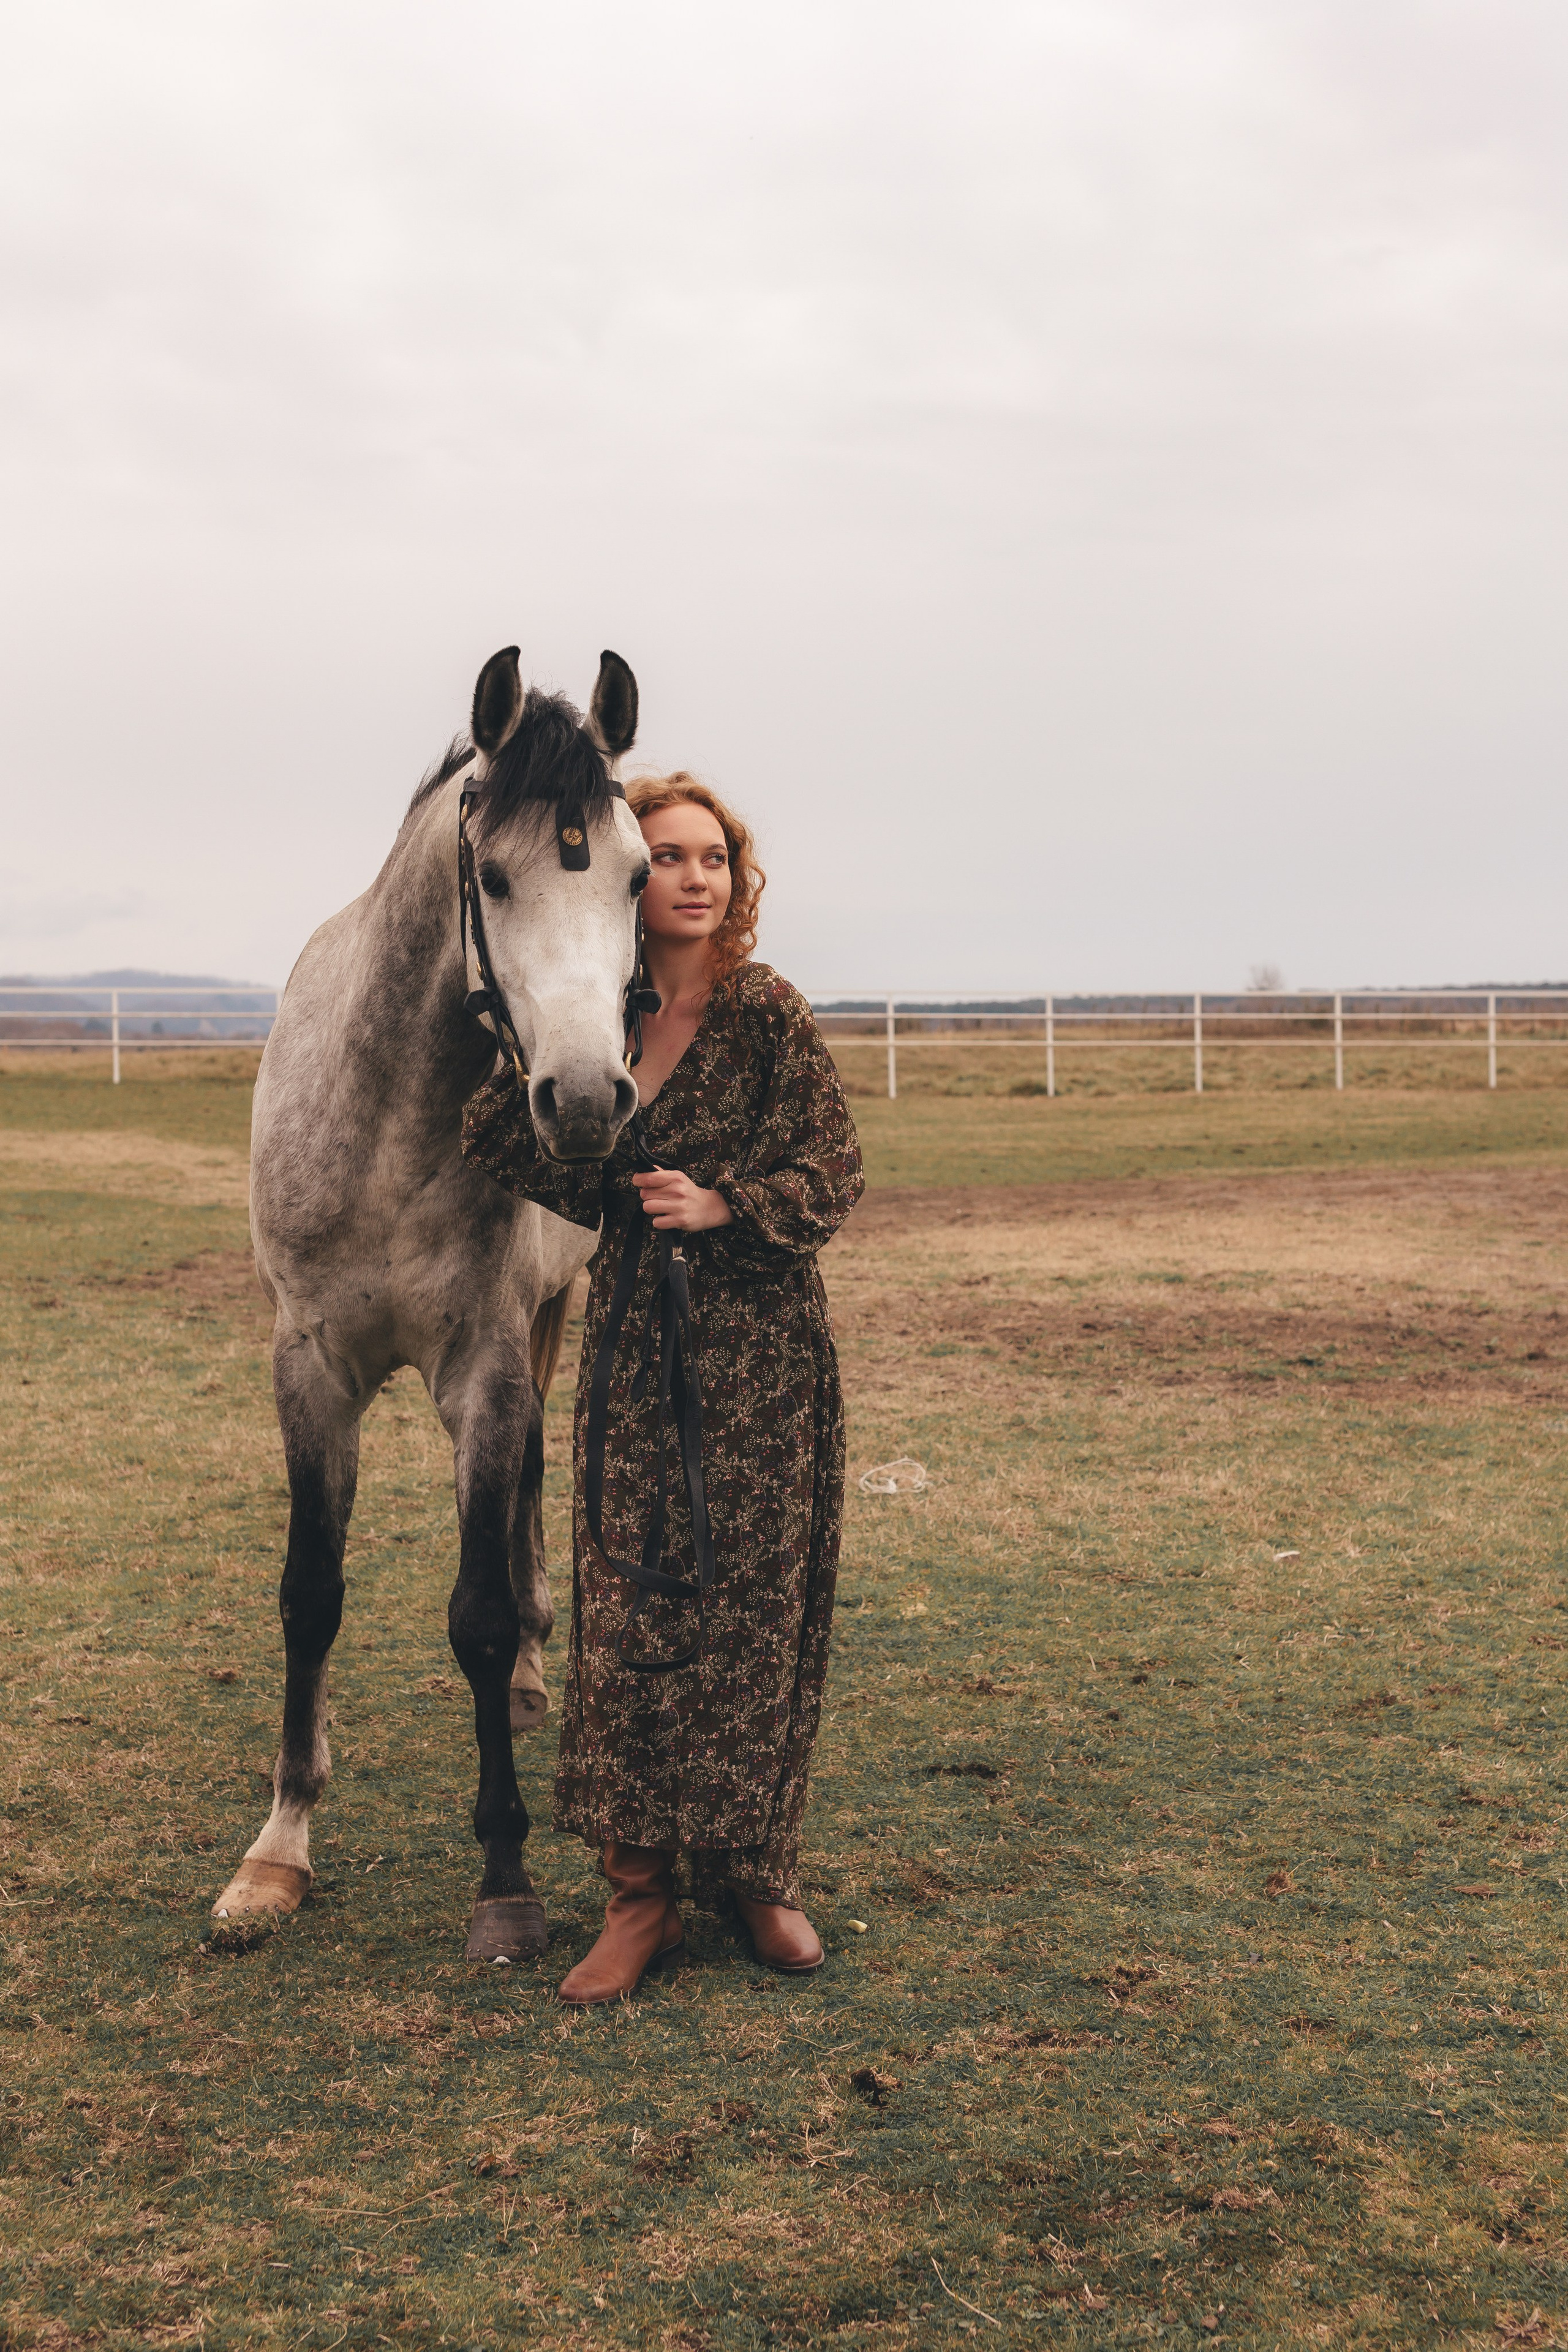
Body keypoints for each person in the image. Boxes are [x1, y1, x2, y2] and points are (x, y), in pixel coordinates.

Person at [461, 772, 864, 2003]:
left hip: (760, 1360)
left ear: (734, 884)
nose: (695, 876)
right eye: (672, 856)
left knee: (752, 1619)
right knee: (632, 1624)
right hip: (637, 1357)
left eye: (714, 859)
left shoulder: (767, 1016)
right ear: (634, 882)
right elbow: (497, 1131)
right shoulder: (603, 1021)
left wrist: (723, 1203)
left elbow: (834, 1169)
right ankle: (638, 1898)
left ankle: (755, 1878)